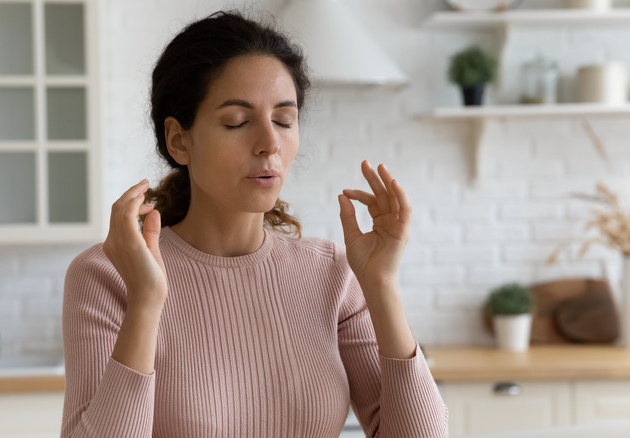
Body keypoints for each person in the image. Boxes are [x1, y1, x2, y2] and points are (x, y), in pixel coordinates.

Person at [60, 10, 448, 438]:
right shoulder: (108, 275)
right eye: (237, 122)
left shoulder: (332, 274)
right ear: (179, 140)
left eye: (284, 120)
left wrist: (381, 286)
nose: (270, 144)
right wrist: (147, 300)